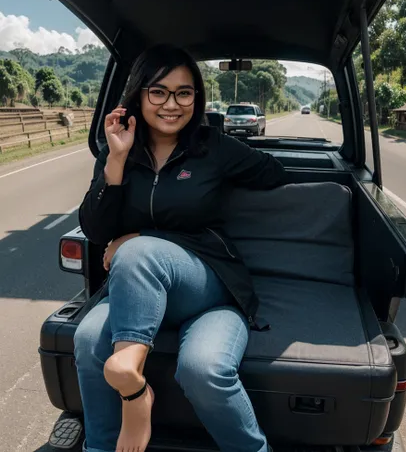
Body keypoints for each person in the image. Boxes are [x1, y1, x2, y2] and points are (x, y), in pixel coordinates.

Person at [74, 44, 287, 452]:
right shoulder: (119, 150)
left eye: (184, 92)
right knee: (90, 341)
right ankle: (107, 437)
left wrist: (142, 239)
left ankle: (130, 376)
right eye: (158, 92)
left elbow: (273, 172)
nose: (172, 104)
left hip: (208, 287)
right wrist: (115, 161)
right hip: (137, 290)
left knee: (136, 253)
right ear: (138, 94)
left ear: (197, 98)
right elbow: (96, 228)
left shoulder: (214, 147)